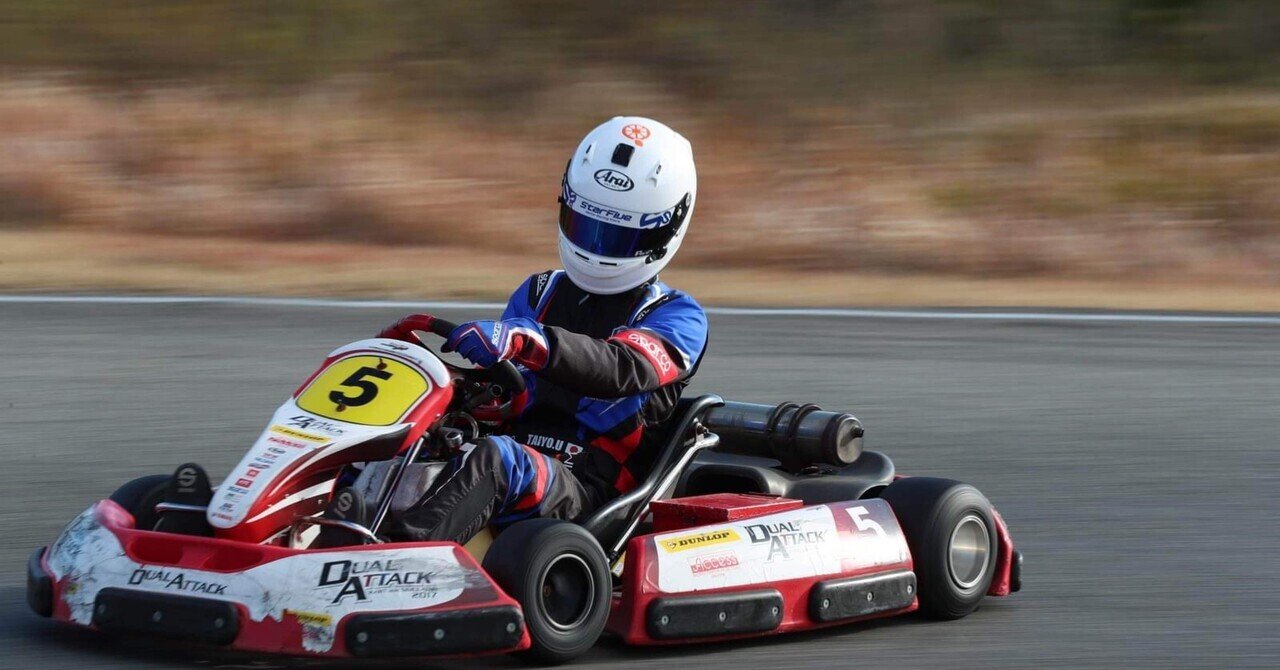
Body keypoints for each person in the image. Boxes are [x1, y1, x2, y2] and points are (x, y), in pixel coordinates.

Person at [321, 116, 708, 546]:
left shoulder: (678, 315)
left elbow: (623, 368)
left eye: (618, 236)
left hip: (589, 491)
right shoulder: (539, 291)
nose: (597, 248)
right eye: (588, 226)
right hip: (506, 457)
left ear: (665, 228)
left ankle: (386, 566)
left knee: (502, 460)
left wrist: (530, 341)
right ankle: (314, 537)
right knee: (397, 435)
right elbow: (505, 388)